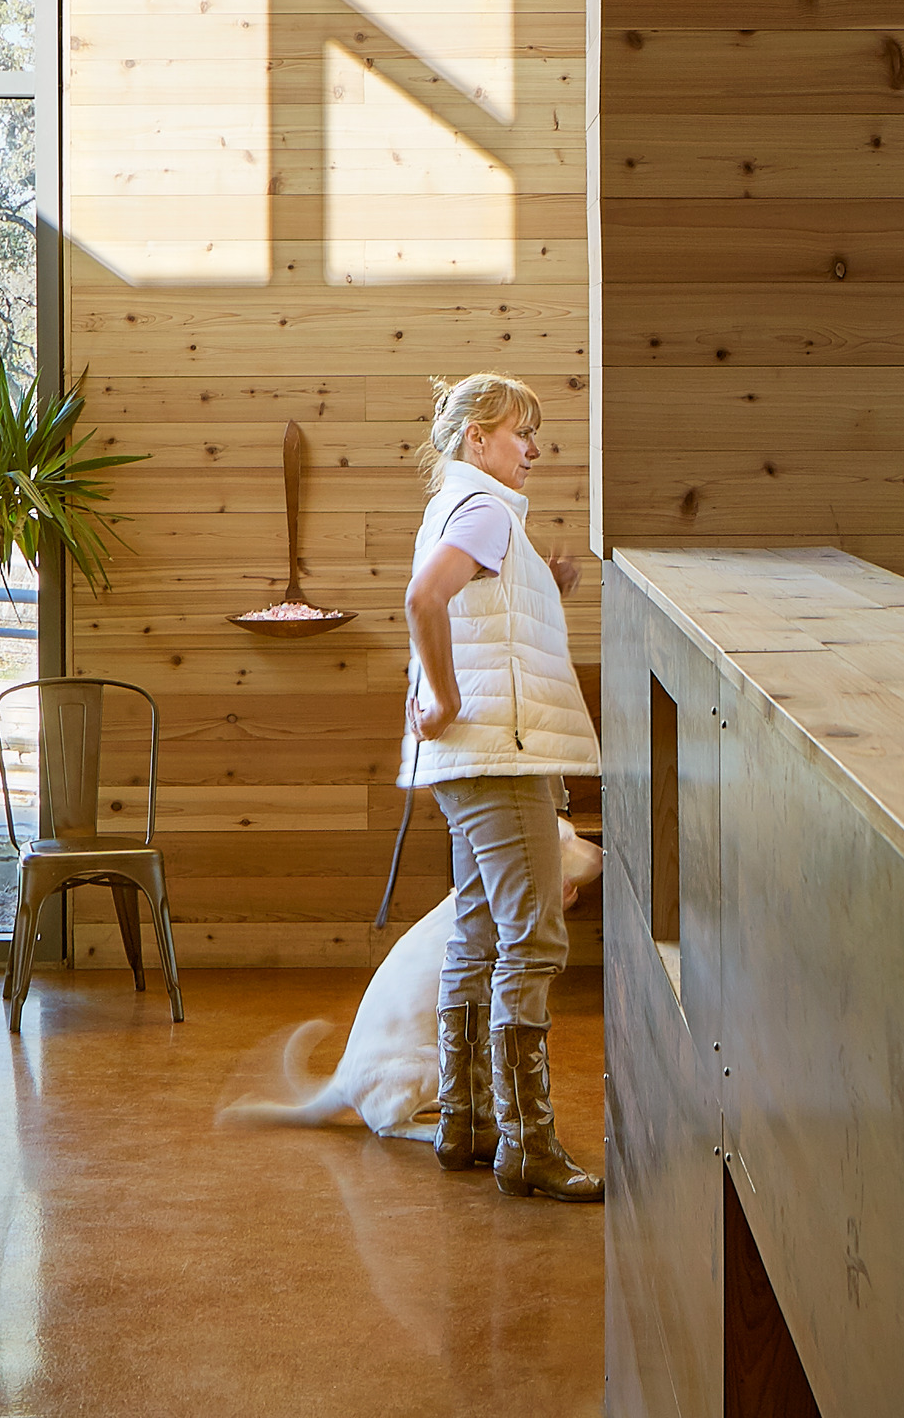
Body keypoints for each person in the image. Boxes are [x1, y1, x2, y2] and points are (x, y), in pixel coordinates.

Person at [399, 373, 604, 1203]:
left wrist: (543, 585)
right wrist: (445, 698)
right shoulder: (482, 508)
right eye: (522, 431)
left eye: (535, 435)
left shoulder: (467, 510)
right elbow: (425, 598)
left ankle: (468, 1125)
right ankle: (527, 1145)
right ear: (476, 436)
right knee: (532, 938)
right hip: (498, 753)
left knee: (478, 933)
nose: (532, 449)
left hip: (471, 761)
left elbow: (478, 610)